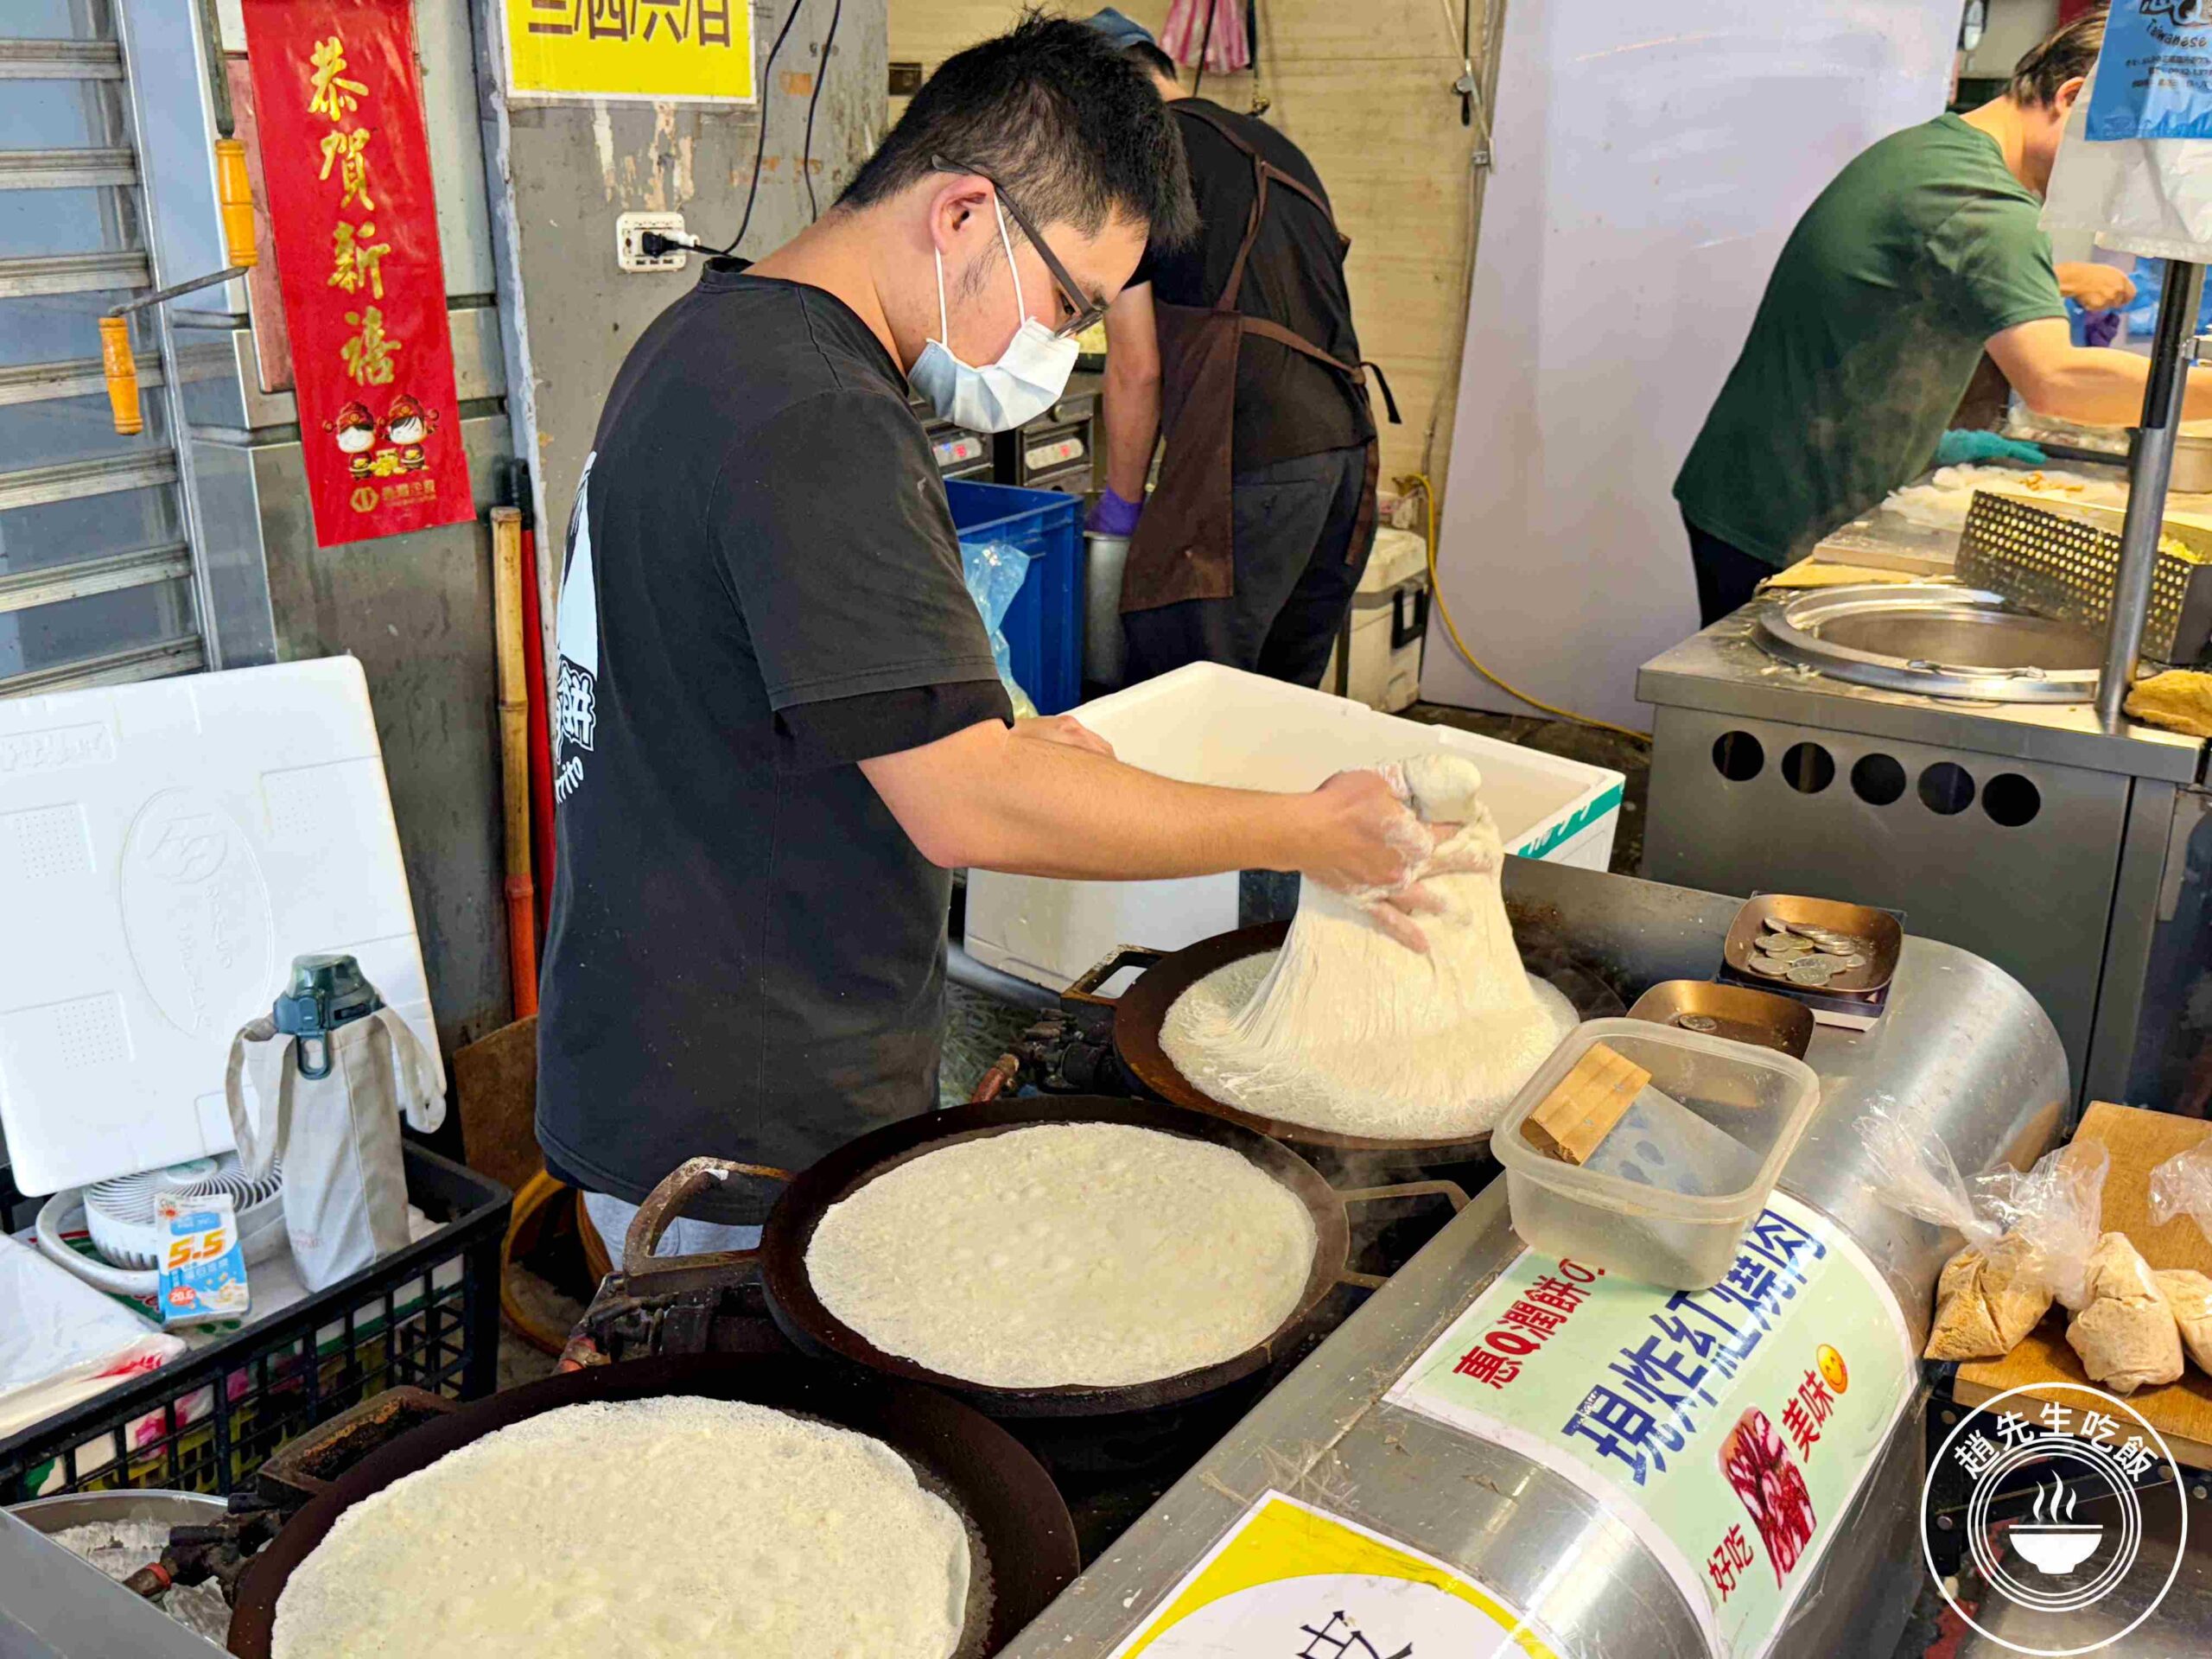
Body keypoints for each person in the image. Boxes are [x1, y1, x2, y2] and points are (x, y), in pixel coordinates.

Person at [536, 19, 1457, 1262]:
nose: (1061, 350)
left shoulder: (713, 338)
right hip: (744, 1111)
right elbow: (965, 807)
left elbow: (777, 686)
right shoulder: (820, 419)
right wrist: (1311, 832)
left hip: (661, 1037)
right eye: (1069, 304)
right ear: (964, 212)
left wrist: (999, 739)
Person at [1674, 10, 2212, 627]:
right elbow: (2057, 381)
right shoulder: (1982, 201)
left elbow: (1922, 279)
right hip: (1785, 508)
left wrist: (2055, 280)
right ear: (2071, 99)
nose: (2125, 186)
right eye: (2134, 157)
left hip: (1762, 477)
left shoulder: (1938, 151)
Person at [1083, 9, 1392, 690]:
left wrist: (1122, 506)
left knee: (1184, 689)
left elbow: (1136, 368)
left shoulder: (1139, 163)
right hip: (1344, 455)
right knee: (1280, 702)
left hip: (1251, 464)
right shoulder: (1275, 145)